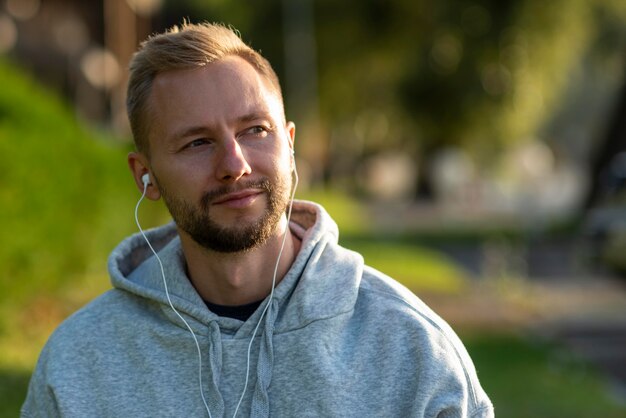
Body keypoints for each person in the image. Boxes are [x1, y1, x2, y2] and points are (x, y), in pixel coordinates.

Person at [22, 22, 494, 417]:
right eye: (197, 142)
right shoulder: (79, 364)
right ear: (147, 177)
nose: (235, 163)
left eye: (255, 130)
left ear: (289, 145)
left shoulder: (410, 349)